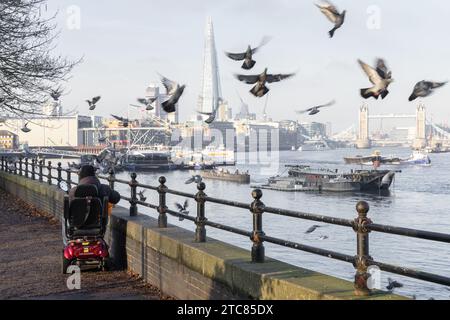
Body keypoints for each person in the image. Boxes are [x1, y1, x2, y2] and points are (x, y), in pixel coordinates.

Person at [62, 165, 121, 246]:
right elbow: (116, 198)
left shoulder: (73, 191)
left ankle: (67, 242)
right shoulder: (104, 188)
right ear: (94, 175)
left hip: (78, 225)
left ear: (81, 177)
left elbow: (67, 210)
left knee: (64, 216)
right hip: (98, 225)